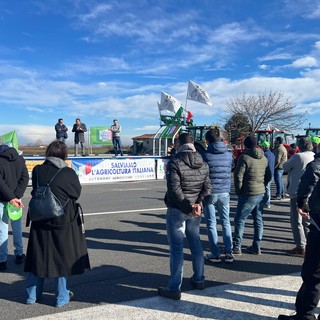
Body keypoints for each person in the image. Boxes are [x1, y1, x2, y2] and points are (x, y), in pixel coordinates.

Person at [24, 140, 90, 307]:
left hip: (40, 218)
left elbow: (35, 190)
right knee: (61, 258)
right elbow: (76, 193)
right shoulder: (68, 173)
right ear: (64, 155)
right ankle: (61, 297)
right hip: (62, 220)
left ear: (48, 152)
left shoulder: (38, 170)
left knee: (37, 256)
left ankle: (32, 296)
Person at [158, 132, 211, 300]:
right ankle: (199, 279)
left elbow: (174, 191)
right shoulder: (203, 162)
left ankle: (174, 287)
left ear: (179, 143)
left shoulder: (176, 162)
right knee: (196, 244)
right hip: (195, 209)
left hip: (179, 209)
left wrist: (188, 207)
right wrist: (198, 204)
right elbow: (208, 188)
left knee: (176, 248)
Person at [278, 141, 320, 320]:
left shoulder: (314, 164)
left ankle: (305, 314)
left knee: (313, 270)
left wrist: (303, 202)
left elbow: (310, 178)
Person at [233, 136, 271, 255]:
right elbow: (269, 175)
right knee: (258, 219)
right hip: (260, 192)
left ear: (245, 145)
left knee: (240, 219)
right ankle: (257, 246)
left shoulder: (244, 157)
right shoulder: (264, 158)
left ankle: (237, 246)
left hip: (248, 193)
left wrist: (239, 191)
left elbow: (238, 176)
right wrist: (263, 185)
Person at [202, 130, 234, 263]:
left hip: (210, 192)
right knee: (226, 222)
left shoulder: (206, 155)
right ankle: (229, 252)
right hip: (225, 191)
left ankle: (215, 253)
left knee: (211, 224)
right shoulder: (229, 155)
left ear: (208, 141)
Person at [0, 139, 29, 271]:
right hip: (16, 199)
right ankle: (19, 254)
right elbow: (25, 177)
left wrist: (11, 198)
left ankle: (2, 259)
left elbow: (0, 183)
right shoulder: (19, 158)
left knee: (2, 229)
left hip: (3, 199)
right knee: (16, 227)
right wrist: (17, 196)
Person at [283, 137, 314, 257]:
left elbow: (285, 167)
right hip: (311, 193)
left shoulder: (298, 157)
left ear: (299, 146)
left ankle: (300, 245)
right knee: (308, 220)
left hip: (297, 191)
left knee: (296, 220)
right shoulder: (314, 155)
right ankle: (310, 244)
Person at [260, 141, 275, 209]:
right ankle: (266, 201)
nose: (261, 147)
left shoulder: (265, 154)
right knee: (267, 188)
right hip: (272, 173)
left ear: (264, 147)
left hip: (266, 174)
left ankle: (267, 202)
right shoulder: (272, 154)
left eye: (262, 146)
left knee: (266, 188)